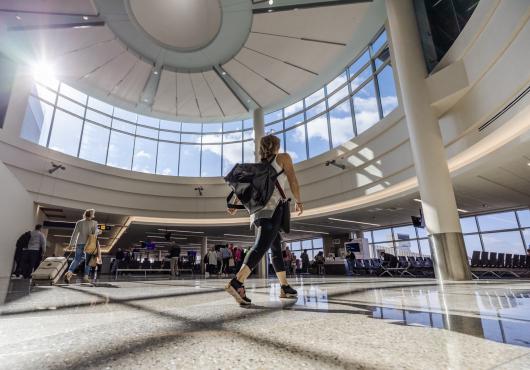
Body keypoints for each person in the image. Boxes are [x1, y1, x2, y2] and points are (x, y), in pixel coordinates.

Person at [225, 134, 303, 305]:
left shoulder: (260, 166)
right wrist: (298, 201)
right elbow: (293, 180)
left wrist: (234, 203)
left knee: (275, 248)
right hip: (273, 209)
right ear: (277, 146)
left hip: (257, 212)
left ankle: (284, 286)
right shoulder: (283, 158)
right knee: (261, 246)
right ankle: (237, 282)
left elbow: (245, 187)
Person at [64, 209, 99, 284]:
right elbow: (94, 233)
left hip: (79, 243)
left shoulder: (79, 222)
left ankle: (69, 273)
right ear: (92, 215)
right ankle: (86, 277)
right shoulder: (94, 223)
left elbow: (75, 234)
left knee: (76, 259)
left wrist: (71, 244)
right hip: (89, 244)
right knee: (88, 261)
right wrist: (99, 231)